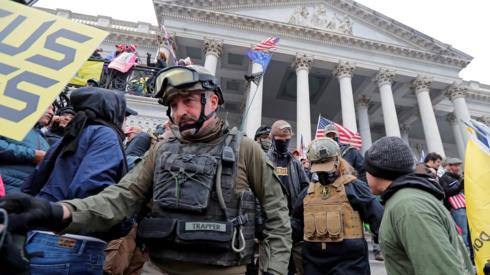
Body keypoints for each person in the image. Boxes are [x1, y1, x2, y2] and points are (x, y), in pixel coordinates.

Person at [2, 65, 291, 275]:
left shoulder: (245, 149)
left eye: (188, 101)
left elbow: (277, 215)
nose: (179, 113)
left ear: (212, 101)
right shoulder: (161, 149)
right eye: (174, 105)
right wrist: (57, 212)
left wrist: (275, 270)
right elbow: (120, 198)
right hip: (157, 268)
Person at [364, 136, 473, 275]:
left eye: (366, 169)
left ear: (377, 171)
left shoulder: (409, 207)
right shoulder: (406, 200)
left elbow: (439, 270)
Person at [291, 137, 383, 274]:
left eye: (327, 165)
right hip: (313, 265)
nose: (323, 172)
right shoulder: (308, 193)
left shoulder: (354, 187)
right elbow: (297, 223)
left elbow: (379, 220)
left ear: (338, 161)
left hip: (349, 265)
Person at [267, 120, 309, 275]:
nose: (284, 142)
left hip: (294, 221)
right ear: (272, 138)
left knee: (295, 266)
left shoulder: (295, 163)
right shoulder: (265, 159)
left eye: (287, 139)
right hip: (272, 221)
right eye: (280, 139)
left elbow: (306, 187)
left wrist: (298, 213)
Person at [0, 105, 52, 194]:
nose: (51, 112)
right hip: (6, 186)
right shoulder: (8, 123)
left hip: (28, 192)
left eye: (53, 109)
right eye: (48, 107)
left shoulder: (41, 137)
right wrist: (33, 155)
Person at [438, 157, 471, 254]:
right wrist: (460, 186)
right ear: (449, 166)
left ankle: (472, 257)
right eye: (455, 165)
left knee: (469, 233)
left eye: (458, 165)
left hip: (464, 207)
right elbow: (446, 192)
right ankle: (467, 257)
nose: (458, 168)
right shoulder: (444, 178)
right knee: (463, 234)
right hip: (456, 209)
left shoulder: (457, 177)